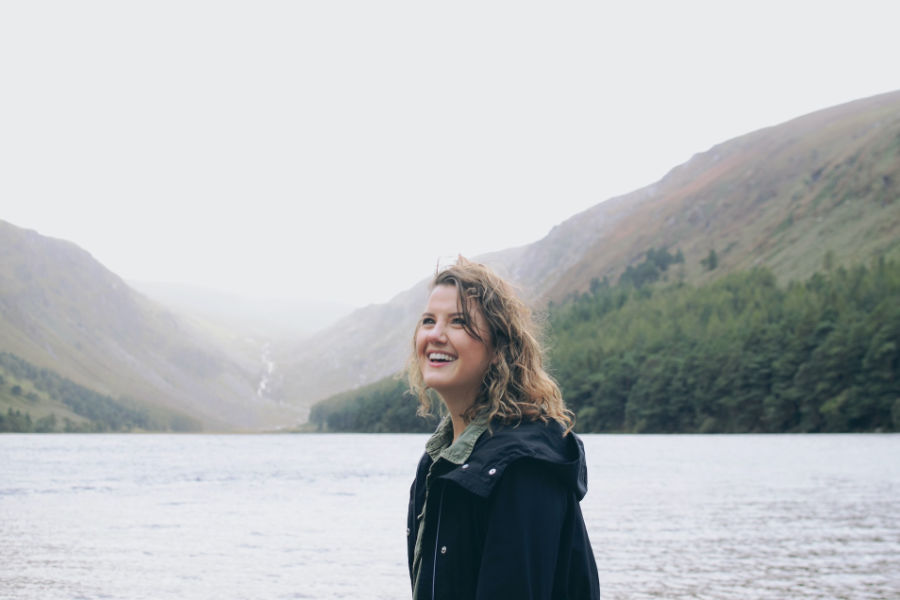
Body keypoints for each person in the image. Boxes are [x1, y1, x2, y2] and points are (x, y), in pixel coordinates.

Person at [406, 257, 601, 600]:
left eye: (458, 322)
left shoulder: (521, 467)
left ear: (498, 349)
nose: (435, 335)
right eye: (428, 321)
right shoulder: (437, 463)